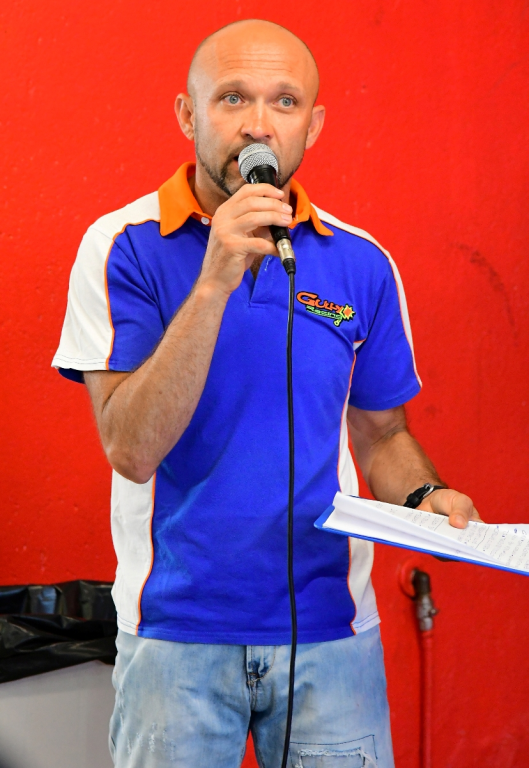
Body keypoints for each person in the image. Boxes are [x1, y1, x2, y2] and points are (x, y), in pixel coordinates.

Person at [52, 19, 480, 768]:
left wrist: (424, 496)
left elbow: (382, 434)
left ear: (312, 125)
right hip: (176, 634)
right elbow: (131, 447)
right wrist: (213, 279)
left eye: (284, 102)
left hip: (332, 633)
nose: (258, 124)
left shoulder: (361, 262)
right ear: (188, 115)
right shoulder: (121, 246)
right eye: (232, 98)